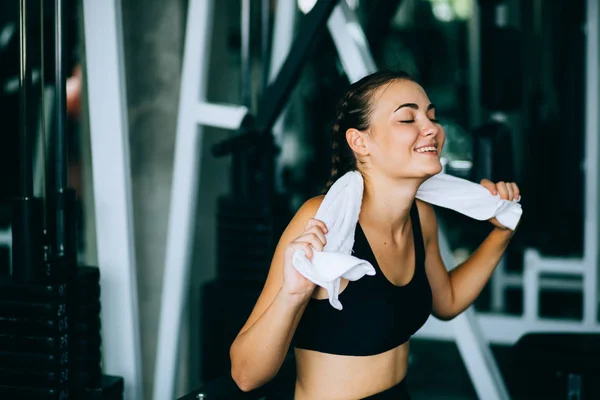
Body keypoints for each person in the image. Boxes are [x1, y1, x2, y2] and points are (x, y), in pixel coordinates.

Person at [229, 70, 520, 399]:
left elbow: (446, 301)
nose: (432, 129)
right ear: (360, 142)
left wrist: (501, 233)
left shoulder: (421, 217)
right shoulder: (324, 222)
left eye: (431, 116)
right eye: (408, 118)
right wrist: (293, 296)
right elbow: (245, 375)